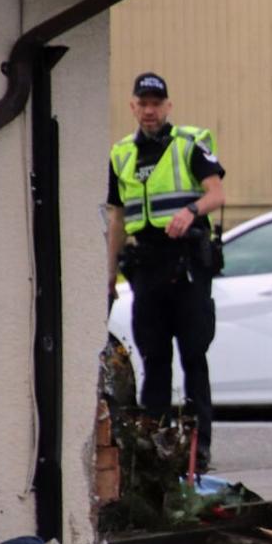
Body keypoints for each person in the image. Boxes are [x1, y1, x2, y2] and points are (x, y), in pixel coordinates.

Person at [105, 72, 226, 470]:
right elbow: (118, 219)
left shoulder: (188, 144)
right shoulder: (121, 154)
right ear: (133, 106)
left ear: (168, 106)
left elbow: (217, 193)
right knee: (154, 360)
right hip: (147, 267)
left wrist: (190, 212)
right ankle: (153, 452)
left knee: (194, 356)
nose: (150, 110)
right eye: (143, 103)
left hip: (187, 262)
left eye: (157, 103)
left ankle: (198, 449)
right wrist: (109, 277)